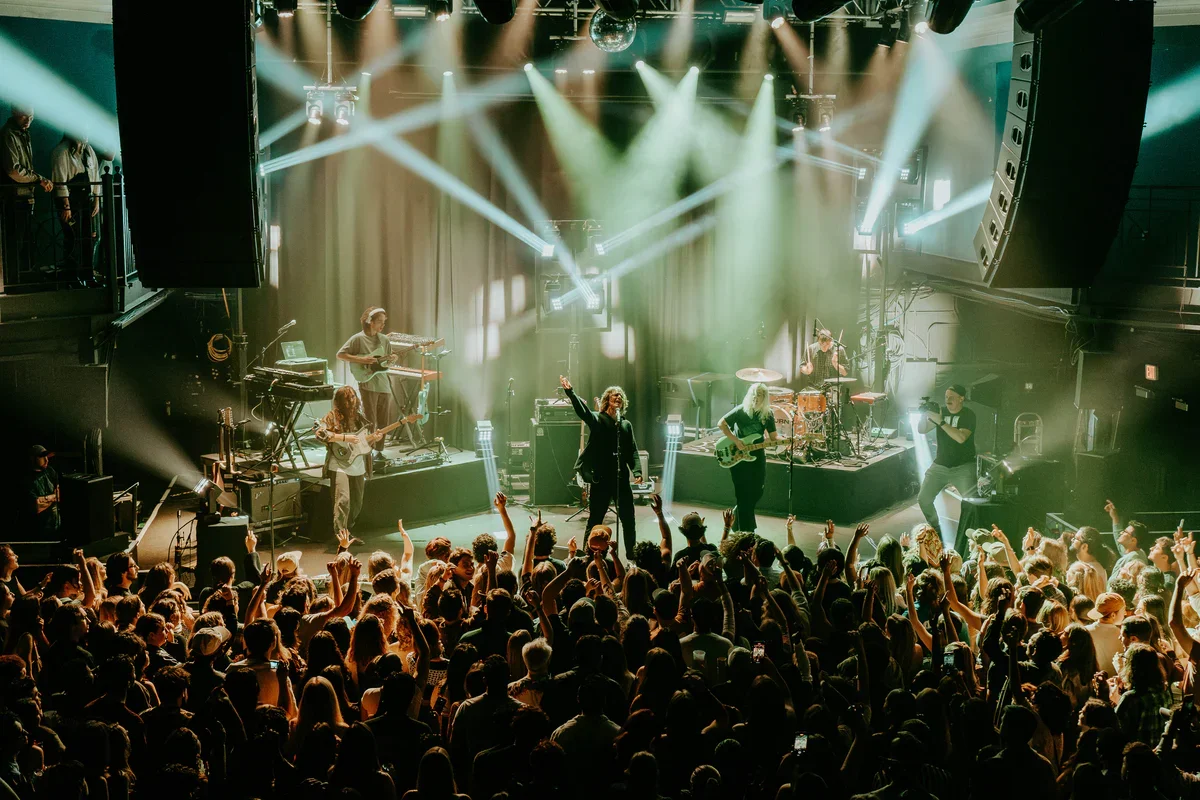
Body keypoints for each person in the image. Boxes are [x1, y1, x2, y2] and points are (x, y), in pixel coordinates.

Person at [559, 375, 643, 556]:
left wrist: (637, 471)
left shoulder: (626, 425)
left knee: (629, 520)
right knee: (595, 519)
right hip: (601, 479)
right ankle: (588, 555)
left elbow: (632, 450)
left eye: (620, 395)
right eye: (614, 395)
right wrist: (571, 393)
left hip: (621, 479)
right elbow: (583, 412)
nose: (618, 397)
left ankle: (632, 556)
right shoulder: (598, 419)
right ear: (607, 400)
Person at [315, 385, 382, 536]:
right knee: (343, 500)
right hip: (338, 464)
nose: (351, 401)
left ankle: (347, 530)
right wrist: (345, 437)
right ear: (339, 401)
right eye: (347, 398)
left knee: (357, 503)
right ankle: (341, 535)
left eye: (353, 397)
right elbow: (320, 434)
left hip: (358, 465)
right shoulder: (332, 416)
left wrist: (374, 439)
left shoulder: (361, 418)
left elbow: (363, 444)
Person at [1, 106, 53, 285]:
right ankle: (15, 282)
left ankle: (21, 279)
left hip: (22, 196)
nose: (29, 120)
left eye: (31, 116)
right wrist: (38, 179)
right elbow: (13, 170)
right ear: (14, 112)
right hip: (14, 197)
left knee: (23, 241)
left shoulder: (20, 133)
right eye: (25, 116)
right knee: (15, 242)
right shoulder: (9, 134)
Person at [915, 384, 976, 538]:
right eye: (946, 397)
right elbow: (922, 429)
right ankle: (936, 529)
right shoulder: (941, 412)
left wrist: (941, 422)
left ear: (961, 398)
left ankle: (971, 534)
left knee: (972, 503)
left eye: (952, 397)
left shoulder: (968, 415)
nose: (948, 400)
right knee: (924, 499)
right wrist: (924, 415)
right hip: (940, 465)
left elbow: (961, 438)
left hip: (963, 467)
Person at [717, 383, 777, 533]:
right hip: (738, 457)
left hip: (758, 456)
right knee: (743, 494)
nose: (756, 398)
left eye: (759, 395)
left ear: (765, 398)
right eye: (754, 395)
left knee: (757, 492)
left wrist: (790, 440)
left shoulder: (768, 414)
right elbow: (721, 424)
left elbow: (774, 437)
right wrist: (736, 440)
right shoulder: (740, 410)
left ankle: (737, 519)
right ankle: (747, 531)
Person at [336, 307, 395, 455]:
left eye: (384, 322)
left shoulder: (384, 340)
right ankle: (368, 451)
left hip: (383, 384)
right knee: (370, 421)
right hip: (368, 383)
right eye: (379, 321)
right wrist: (362, 359)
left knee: (384, 421)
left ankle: (379, 451)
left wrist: (393, 358)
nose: (383, 325)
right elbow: (340, 355)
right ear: (370, 322)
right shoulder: (358, 339)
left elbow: (387, 360)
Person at [49, 133, 101, 283]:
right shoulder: (61, 151)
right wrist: (66, 206)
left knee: (88, 238)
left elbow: (95, 174)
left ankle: (88, 276)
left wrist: (96, 199)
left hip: (86, 200)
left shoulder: (88, 150)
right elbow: (60, 180)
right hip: (70, 201)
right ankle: (72, 277)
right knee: (73, 237)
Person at [26, 445, 60, 537]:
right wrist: (54, 497)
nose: (46, 460)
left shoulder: (50, 470)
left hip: (56, 525)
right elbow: (36, 506)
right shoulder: (27, 479)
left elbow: (61, 492)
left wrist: (46, 499)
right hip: (39, 530)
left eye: (46, 456)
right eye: (42, 457)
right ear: (33, 458)